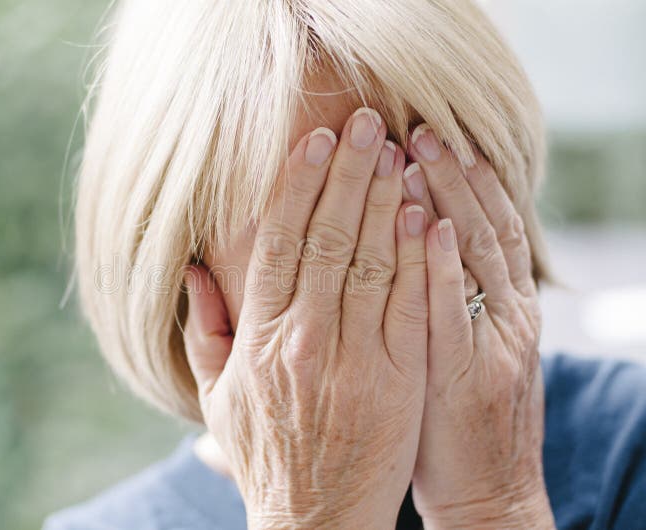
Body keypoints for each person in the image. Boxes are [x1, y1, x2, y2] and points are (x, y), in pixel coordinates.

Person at [46, 0, 646, 528]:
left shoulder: (630, 448)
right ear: (184, 263)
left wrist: (495, 509)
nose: (383, 271)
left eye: (418, 188)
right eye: (319, 233)